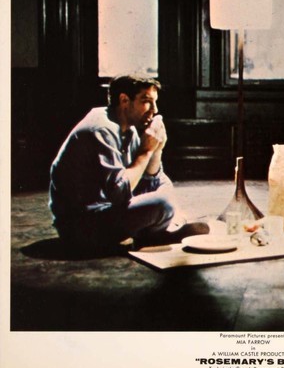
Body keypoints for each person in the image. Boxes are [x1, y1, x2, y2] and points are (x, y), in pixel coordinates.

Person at [49, 74, 208, 253]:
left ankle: (163, 225)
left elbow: (147, 182)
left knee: (164, 184)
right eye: (146, 101)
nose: (154, 110)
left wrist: (156, 150)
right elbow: (119, 193)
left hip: (108, 209)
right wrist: (145, 152)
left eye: (155, 102)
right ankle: (159, 231)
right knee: (164, 203)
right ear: (124, 100)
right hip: (81, 226)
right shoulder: (101, 129)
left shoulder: (128, 128)